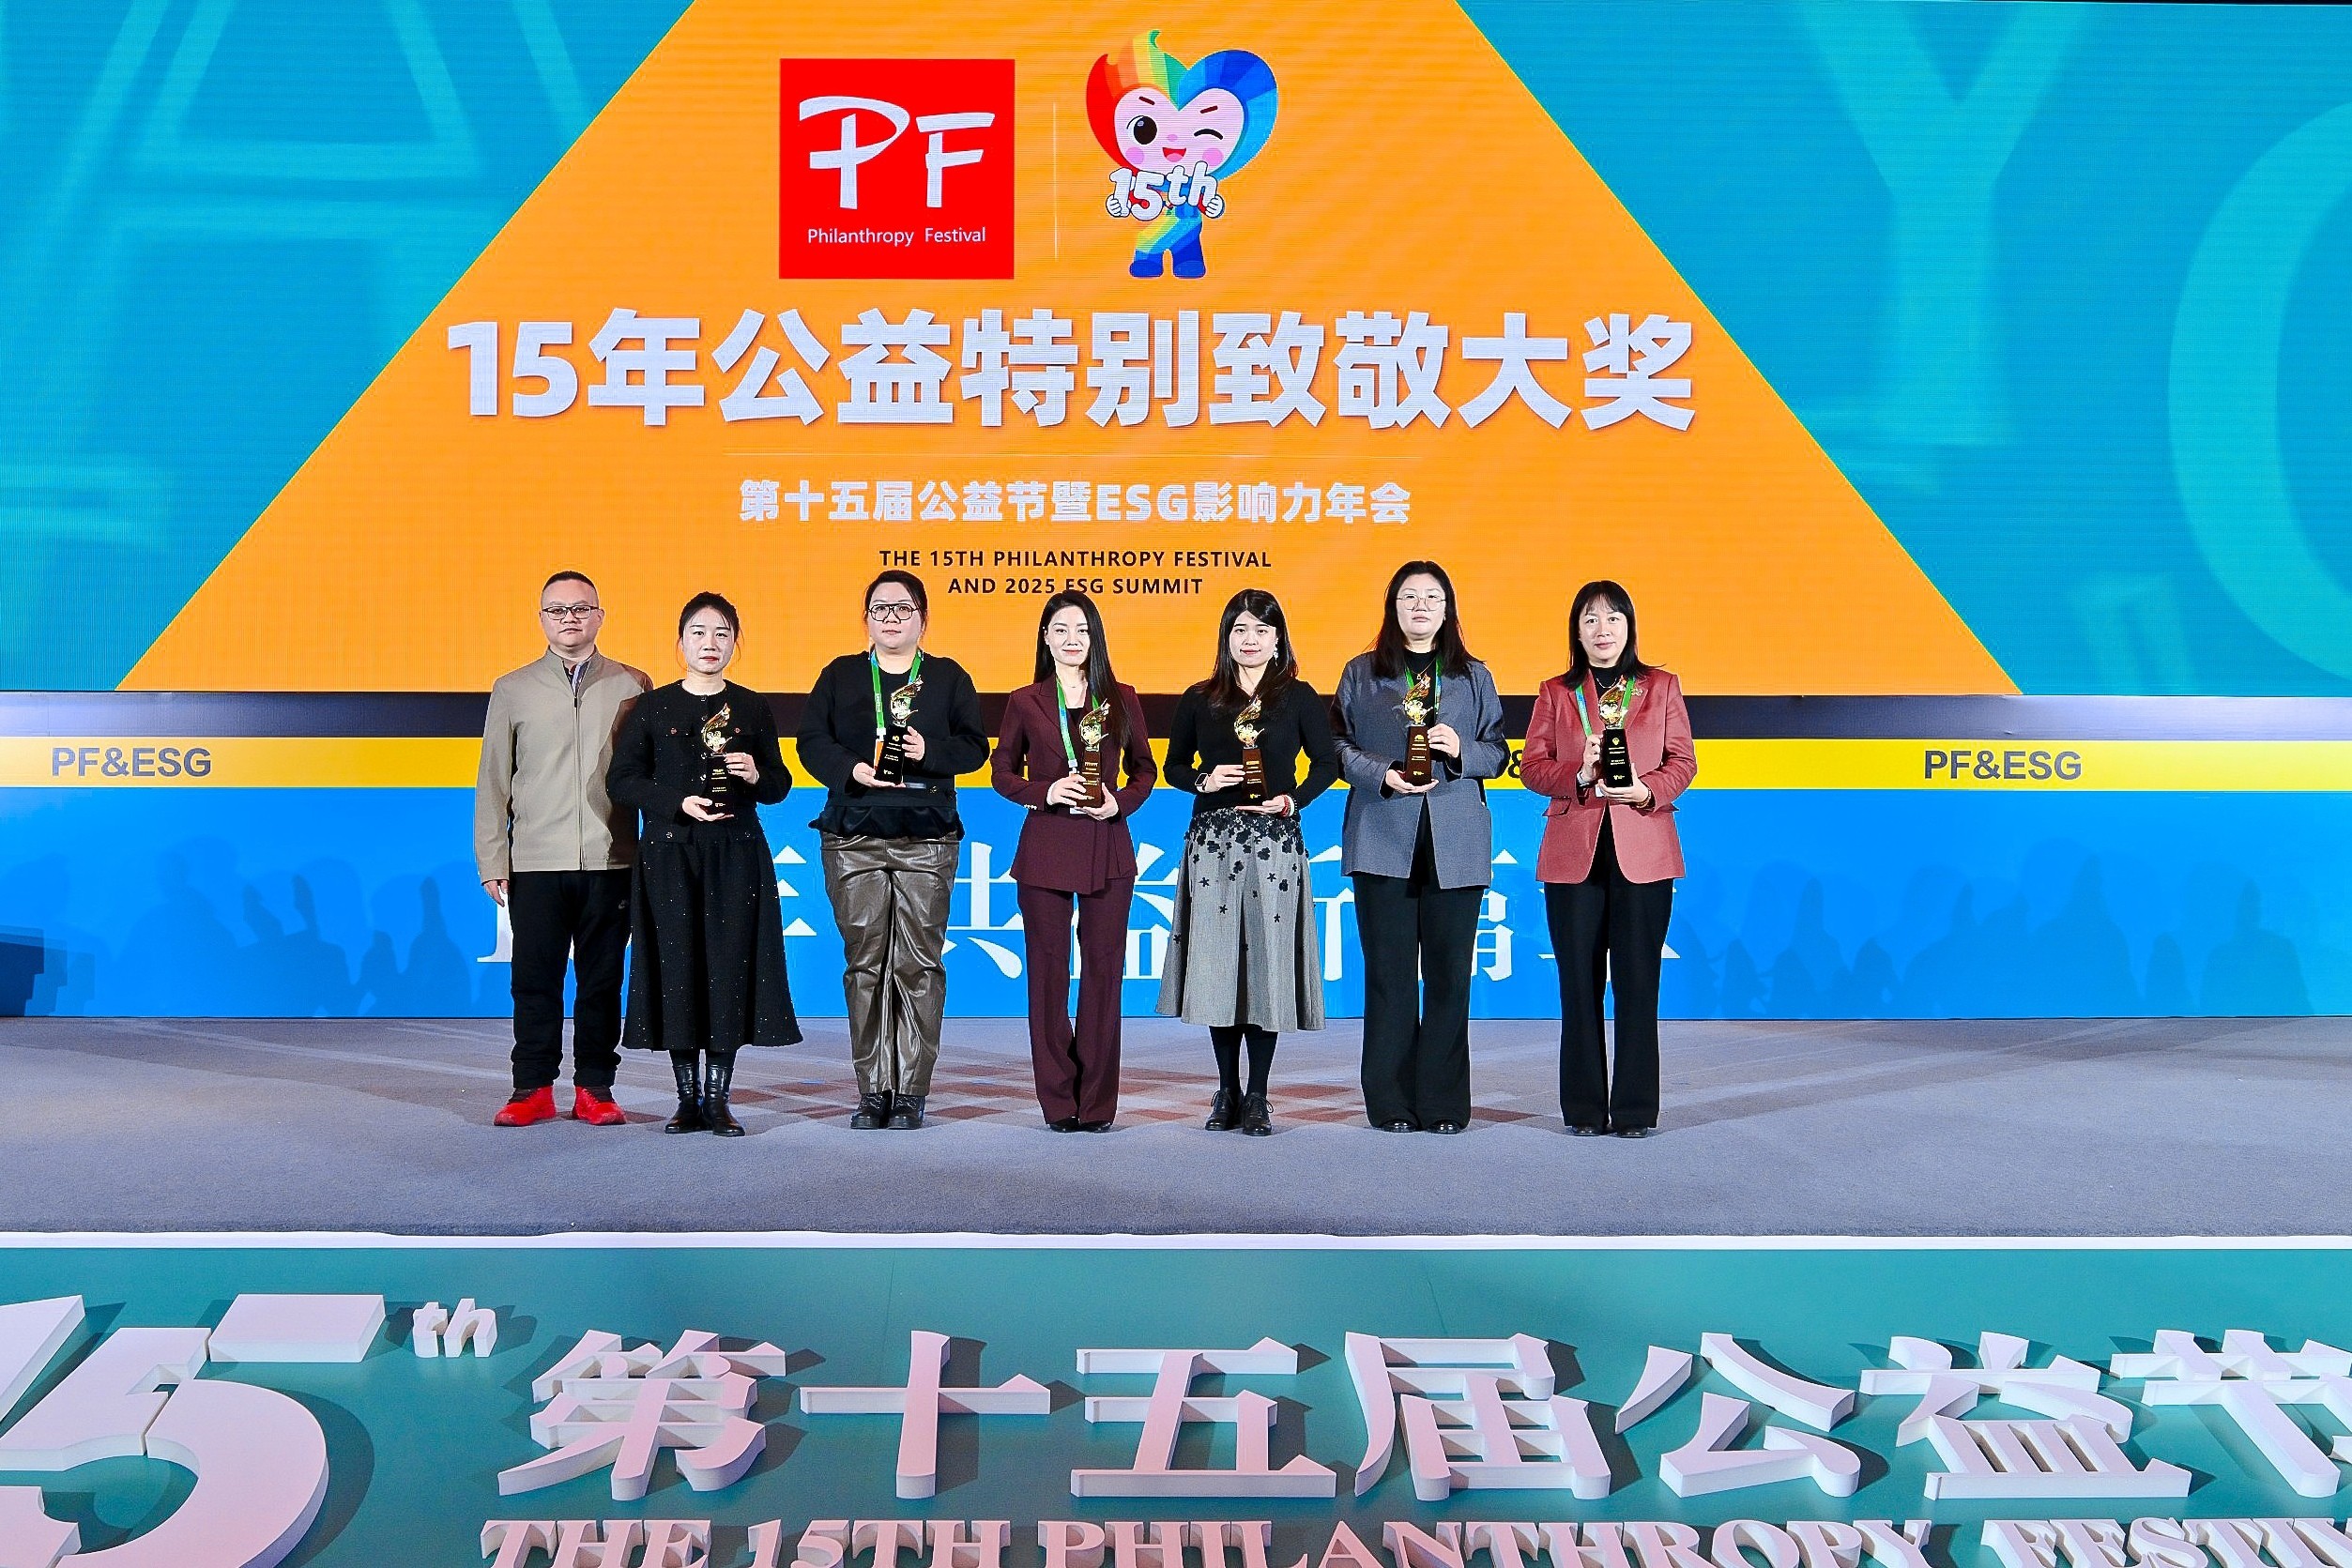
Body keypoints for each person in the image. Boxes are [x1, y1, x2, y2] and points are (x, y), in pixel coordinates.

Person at [797, 571, 989, 1131]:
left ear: (923, 618)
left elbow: (975, 748)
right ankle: (872, 1089)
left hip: (927, 835)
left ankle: (911, 1090)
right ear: (866, 618)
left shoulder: (948, 677)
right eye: (880, 608)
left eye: (903, 608)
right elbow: (812, 742)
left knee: (919, 963)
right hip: (853, 834)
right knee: (865, 964)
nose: (890, 617)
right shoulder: (841, 674)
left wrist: (930, 752)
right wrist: (852, 769)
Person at [606, 593, 800, 1136]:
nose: (709, 643)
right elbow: (622, 780)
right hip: (670, 853)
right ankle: (685, 1097)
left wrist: (755, 774)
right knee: (677, 968)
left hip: (736, 854)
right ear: (680, 642)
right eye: (698, 632)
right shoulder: (652, 707)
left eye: (721, 633)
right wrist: (676, 803)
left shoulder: (752, 707)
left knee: (728, 968)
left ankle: (718, 1099)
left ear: (735, 643)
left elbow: (779, 785)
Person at [1331, 561, 1508, 1134]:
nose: (1421, 607)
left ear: (1448, 609)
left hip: (1456, 840)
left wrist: (1461, 749)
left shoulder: (1473, 676)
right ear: (1393, 607)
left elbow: (1498, 753)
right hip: (1382, 835)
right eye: (1410, 596)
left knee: (1451, 977)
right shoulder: (1362, 673)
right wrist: (1381, 773)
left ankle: (1444, 1103)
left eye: (1433, 597)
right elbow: (1336, 747)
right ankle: (1389, 1101)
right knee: (1389, 976)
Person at [1156, 589, 1339, 1136]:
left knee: (1266, 967)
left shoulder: (1298, 697)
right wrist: (1203, 780)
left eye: (1261, 629)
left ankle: (1258, 1093)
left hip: (1274, 847)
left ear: (1278, 639)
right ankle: (1227, 1090)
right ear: (1226, 637)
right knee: (1219, 969)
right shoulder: (1200, 697)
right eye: (1240, 629)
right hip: (1213, 844)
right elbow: (1172, 765)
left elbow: (1326, 763)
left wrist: (1293, 800)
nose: (1250, 639)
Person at [474, 571, 650, 1128]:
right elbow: (493, 780)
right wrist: (492, 859)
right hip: (535, 861)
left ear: (600, 615)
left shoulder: (633, 684)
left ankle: (595, 1088)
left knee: (602, 982)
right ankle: (531, 1088)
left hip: (612, 858)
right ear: (542, 618)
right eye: (557, 610)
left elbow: (648, 776)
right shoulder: (512, 688)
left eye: (580, 608)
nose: (569, 618)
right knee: (534, 981)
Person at [1520, 579, 1696, 1138]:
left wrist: (1646, 790)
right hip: (1575, 853)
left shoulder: (1661, 686)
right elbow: (1531, 768)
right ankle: (1584, 1110)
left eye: (1613, 618)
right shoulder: (1556, 692)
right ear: (1577, 631)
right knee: (1578, 988)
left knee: (1639, 986)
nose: (1602, 630)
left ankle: (1636, 1110)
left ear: (1629, 626)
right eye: (1590, 619)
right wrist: (1578, 773)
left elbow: (1683, 762)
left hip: (1643, 849)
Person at [992, 593, 1156, 1132]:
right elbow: (1002, 773)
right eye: (1060, 629)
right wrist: (1044, 791)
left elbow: (1144, 771)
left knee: (1105, 974)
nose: (1071, 639)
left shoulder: (1121, 698)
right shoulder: (1025, 701)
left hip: (1106, 846)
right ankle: (1058, 1100)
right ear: (1045, 637)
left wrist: (1118, 802)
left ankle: (1098, 1104)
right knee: (1047, 975)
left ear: (1095, 638)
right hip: (1046, 846)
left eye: (1082, 630)